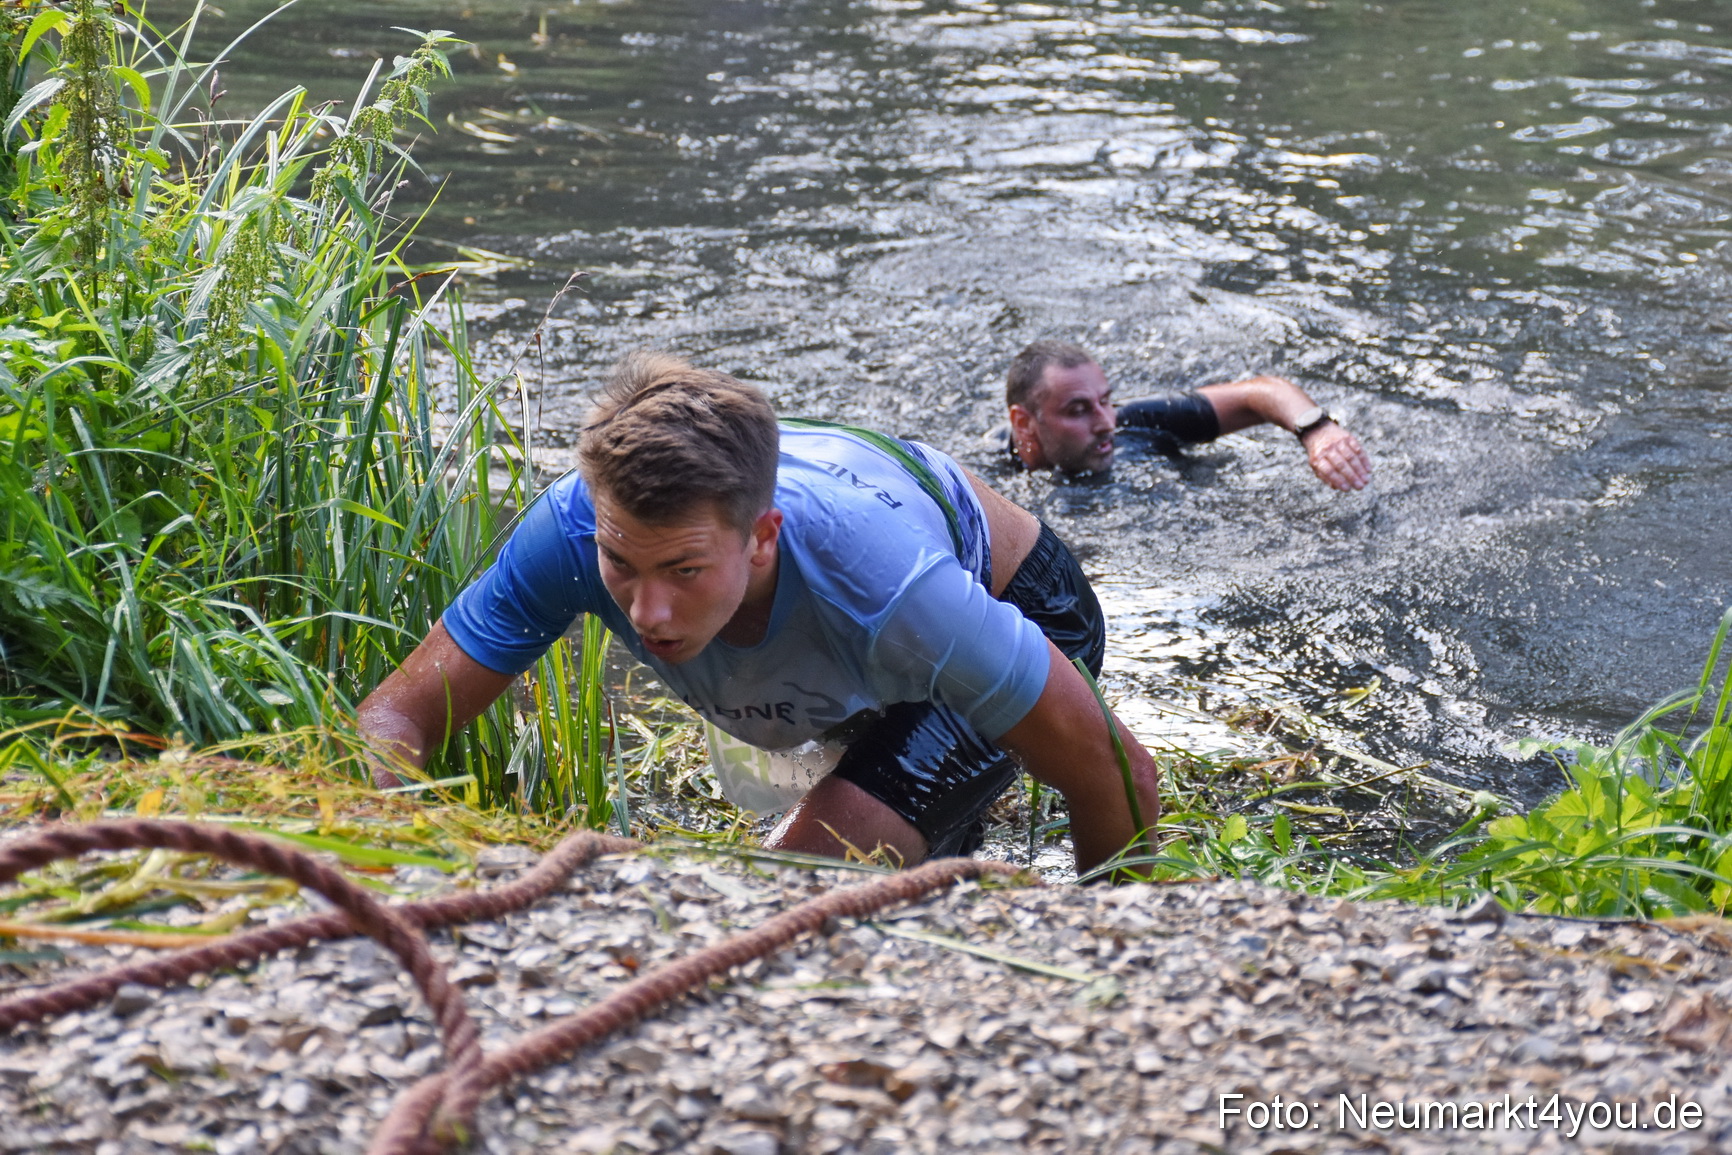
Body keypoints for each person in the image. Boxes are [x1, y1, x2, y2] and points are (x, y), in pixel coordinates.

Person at [357, 352, 1161, 874]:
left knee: (783, 882)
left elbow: (1115, 769)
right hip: (874, 633)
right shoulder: (573, 528)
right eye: (621, 565)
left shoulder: (889, 590)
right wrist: (379, 865)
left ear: (763, 538)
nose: (648, 613)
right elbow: (396, 714)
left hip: (1017, 600)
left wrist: (1119, 956)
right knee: (878, 837)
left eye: (685, 570)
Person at [997, 340, 1372, 490]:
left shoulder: (1135, 423)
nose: (1106, 423)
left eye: (1106, 401)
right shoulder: (991, 485)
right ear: (1024, 423)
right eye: (1078, 411)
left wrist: (1317, 430)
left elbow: (1261, 392)